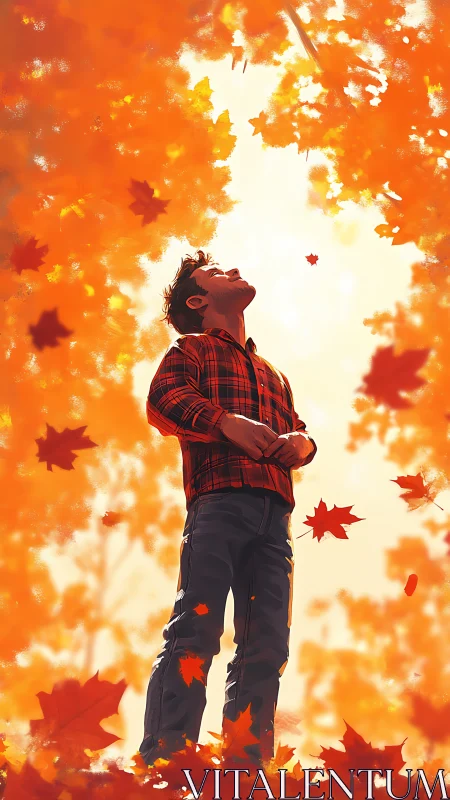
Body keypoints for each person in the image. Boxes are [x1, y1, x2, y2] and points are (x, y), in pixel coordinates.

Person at [139, 249, 317, 768]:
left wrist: (303, 445)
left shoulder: (272, 372)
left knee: (267, 646)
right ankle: (167, 762)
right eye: (217, 273)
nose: (233, 269)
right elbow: (163, 400)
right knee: (195, 631)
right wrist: (225, 422)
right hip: (219, 507)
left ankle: (245, 769)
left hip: (275, 521)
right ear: (199, 300)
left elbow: (298, 429)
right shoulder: (191, 350)